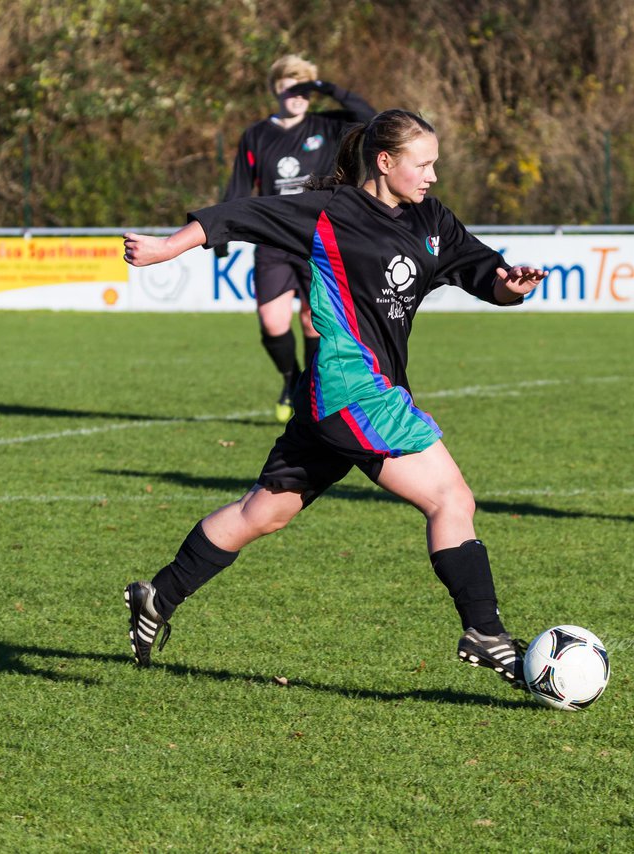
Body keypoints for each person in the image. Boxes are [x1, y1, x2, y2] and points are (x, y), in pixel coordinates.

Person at [122, 109, 548, 689]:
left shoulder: (431, 218)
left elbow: (478, 271)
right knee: (451, 497)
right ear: (385, 161)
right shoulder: (329, 213)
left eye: (435, 164)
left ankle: (158, 595)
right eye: (423, 164)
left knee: (264, 510)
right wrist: (166, 249)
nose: (433, 175)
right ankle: (485, 632)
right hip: (356, 388)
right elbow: (239, 215)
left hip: (343, 397)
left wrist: (508, 284)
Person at [220, 54, 376, 422]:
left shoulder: (328, 125)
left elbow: (372, 117)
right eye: (291, 87)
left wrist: (326, 88)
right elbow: (240, 186)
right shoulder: (256, 135)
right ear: (276, 89)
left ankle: (309, 391)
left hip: (318, 239)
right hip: (273, 241)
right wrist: (222, 228)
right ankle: (290, 380)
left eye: (305, 89)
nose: (298, 96)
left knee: (311, 321)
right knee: (272, 322)